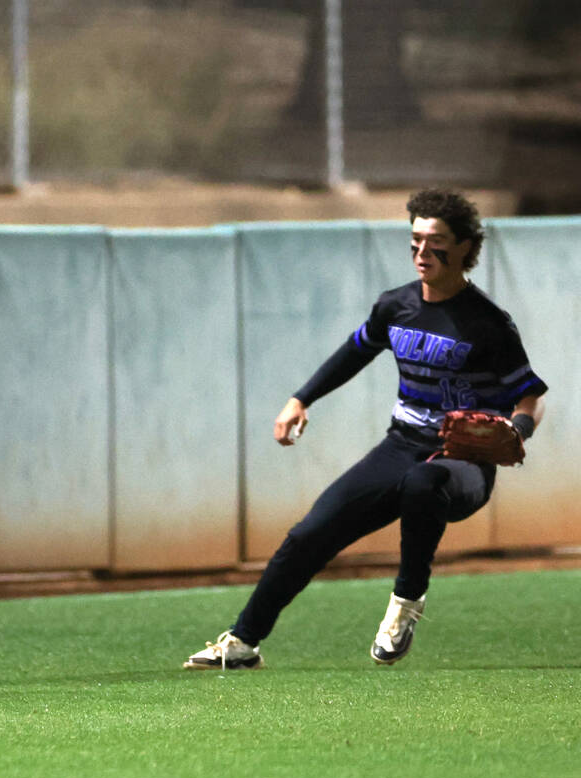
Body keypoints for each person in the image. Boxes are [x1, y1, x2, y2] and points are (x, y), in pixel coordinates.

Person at [185, 188, 547, 669]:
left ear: (464, 246)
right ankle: (244, 643)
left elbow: (531, 395)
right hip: (401, 446)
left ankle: (404, 608)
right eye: (415, 239)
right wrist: (301, 398)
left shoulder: (488, 324)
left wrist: (517, 429)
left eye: (435, 240)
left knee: (423, 482)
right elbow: (356, 351)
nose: (422, 251)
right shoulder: (395, 306)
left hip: (463, 464)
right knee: (309, 534)